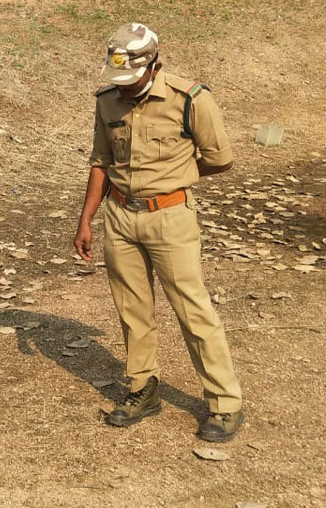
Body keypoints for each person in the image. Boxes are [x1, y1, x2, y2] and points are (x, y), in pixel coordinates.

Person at [73, 23, 245, 442]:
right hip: (119, 215)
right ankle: (141, 387)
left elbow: (220, 159)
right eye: (119, 81)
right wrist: (86, 218)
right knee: (132, 309)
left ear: (154, 65)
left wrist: (176, 176)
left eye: (132, 80)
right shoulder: (107, 101)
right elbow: (100, 161)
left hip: (171, 217)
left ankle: (225, 403)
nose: (125, 89)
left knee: (192, 309)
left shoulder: (191, 100)